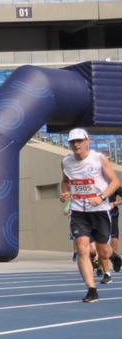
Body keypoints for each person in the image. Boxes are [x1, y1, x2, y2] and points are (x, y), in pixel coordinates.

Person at [60, 128, 120, 303]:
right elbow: (65, 181)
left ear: (87, 141)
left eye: (79, 141)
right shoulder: (66, 161)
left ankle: (113, 255)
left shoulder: (98, 158)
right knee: (82, 248)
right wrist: (65, 193)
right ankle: (91, 289)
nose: (76, 144)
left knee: (102, 252)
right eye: (73, 142)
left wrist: (101, 197)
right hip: (78, 211)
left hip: (99, 211)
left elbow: (115, 182)